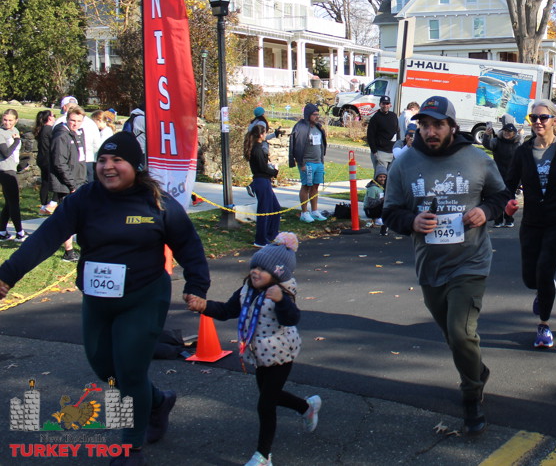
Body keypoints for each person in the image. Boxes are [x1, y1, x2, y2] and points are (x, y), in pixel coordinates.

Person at [0, 131, 211, 466]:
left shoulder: (156, 203)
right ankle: (158, 401)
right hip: (98, 300)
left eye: (117, 160)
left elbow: (189, 244)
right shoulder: (83, 200)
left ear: (135, 166)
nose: (108, 167)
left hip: (144, 297)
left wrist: (197, 285)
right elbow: (45, 238)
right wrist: (7, 275)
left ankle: (131, 449)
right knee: (105, 368)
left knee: (130, 371)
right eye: (102, 160)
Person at [382, 96, 507, 435]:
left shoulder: (477, 159)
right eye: (424, 125)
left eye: (438, 124)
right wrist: (411, 221)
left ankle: (471, 396)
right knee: (454, 336)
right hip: (430, 265)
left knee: (460, 331)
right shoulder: (404, 163)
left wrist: (486, 211)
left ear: (452, 126)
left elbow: (501, 196)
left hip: (471, 261)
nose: (430, 131)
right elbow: (390, 211)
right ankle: (477, 371)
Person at [186, 233, 321, 466]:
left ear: (278, 274)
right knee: (270, 396)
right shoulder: (247, 289)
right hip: (259, 354)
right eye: (254, 266)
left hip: (281, 354)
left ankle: (263, 456)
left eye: (263, 269)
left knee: (265, 404)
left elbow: (291, 318)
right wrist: (204, 306)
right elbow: (227, 310)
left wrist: (280, 301)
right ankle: (306, 407)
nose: (256, 272)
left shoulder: (283, 292)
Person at [502, 99, 556, 349]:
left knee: (545, 270)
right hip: (532, 222)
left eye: (543, 117)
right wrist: (508, 202)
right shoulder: (523, 151)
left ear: (555, 121)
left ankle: (544, 325)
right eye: (534, 118)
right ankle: (543, 288)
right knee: (531, 279)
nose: (537, 122)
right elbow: (509, 183)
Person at [50, 105, 88, 261]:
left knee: (80, 216)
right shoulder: (61, 136)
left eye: (79, 121)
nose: (75, 124)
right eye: (72, 120)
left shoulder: (78, 133)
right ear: (67, 119)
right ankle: (68, 251)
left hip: (79, 180)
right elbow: (59, 163)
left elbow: (80, 159)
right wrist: (72, 185)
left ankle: (80, 246)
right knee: (68, 218)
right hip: (67, 185)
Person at [288, 104, 327, 224]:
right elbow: (297, 146)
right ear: (308, 115)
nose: (317, 116)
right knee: (306, 186)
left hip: (318, 162)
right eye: (314, 114)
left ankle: (314, 211)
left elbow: (321, 144)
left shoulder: (318, 127)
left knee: (315, 186)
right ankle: (304, 213)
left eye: (318, 114)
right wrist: (301, 163)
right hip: (307, 163)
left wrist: (321, 161)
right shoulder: (301, 127)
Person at [245, 121, 281, 248]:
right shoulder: (257, 149)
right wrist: (274, 171)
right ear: (260, 135)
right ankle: (260, 239)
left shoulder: (258, 147)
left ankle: (271, 234)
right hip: (261, 181)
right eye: (265, 133)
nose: (266, 135)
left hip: (264, 180)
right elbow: (262, 168)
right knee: (264, 211)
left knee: (275, 208)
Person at [480, 121, 520, 227]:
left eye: (509, 131)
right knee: (497, 197)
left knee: (510, 198)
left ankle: (509, 219)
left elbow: (521, 161)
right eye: (505, 131)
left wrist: (520, 180)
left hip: (512, 175)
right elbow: (487, 145)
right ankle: (498, 220)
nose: (507, 133)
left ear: (514, 133)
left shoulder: (517, 144)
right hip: (498, 173)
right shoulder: (497, 141)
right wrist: (486, 135)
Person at [0, 109, 27, 242]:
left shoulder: (14, 130)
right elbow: (5, 153)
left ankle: (2, 232)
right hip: (5, 170)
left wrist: (20, 164)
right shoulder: (1, 133)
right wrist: (17, 141)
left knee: (9, 203)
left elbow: (14, 154)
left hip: (12, 168)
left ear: (16, 120)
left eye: (10, 120)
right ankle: (20, 233)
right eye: (5, 120)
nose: (7, 123)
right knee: (14, 202)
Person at [33, 109, 56, 214]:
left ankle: (43, 206)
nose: (54, 117)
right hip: (48, 159)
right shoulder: (49, 129)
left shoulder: (41, 129)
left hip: (41, 158)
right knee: (56, 181)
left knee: (45, 182)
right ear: (50, 118)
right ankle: (52, 203)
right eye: (53, 115)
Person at [367, 95, 398, 171]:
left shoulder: (393, 116)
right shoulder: (375, 118)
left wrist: (398, 147)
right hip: (380, 152)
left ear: (390, 105)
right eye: (383, 103)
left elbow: (397, 131)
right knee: (381, 176)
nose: (385, 105)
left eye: (387, 103)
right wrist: (374, 151)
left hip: (392, 152)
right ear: (380, 104)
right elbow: (370, 136)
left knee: (391, 176)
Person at [364, 165, 388, 235]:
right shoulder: (373, 188)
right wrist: (382, 200)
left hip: (379, 208)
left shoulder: (383, 187)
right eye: (380, 177)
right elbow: (370, 204)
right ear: (376, 178)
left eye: (384, 177)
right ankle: (380, 222)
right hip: (370, 210)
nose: (382, 179)